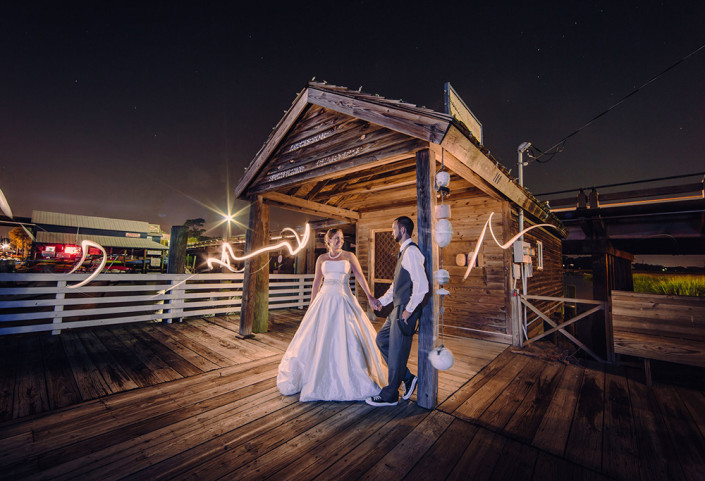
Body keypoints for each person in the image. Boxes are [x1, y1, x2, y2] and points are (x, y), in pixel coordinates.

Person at [277, 228, 387, 401]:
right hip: (324, 299)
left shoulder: (349, 257)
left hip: (344, 299)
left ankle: (352, 376)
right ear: (328, 240)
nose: (340, 241)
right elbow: (316, 282)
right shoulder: (322, 258)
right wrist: (312, 304)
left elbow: (360, 277)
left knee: (349, 337)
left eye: (341, 239)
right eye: (336, 238)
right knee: (319, 337)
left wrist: (370, 296)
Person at [366, 216, 429, 407]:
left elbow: (423, 286)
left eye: (394, 228)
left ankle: (390, 395)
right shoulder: (404, 252)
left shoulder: (411, 252)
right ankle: (408, 378)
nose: (392, 232)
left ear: (402, 230)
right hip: (396, 309)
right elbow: (396, 286)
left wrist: (409, 311)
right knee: (382, 340)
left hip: (405, 311)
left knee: (397, 351)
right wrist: (381, 302)